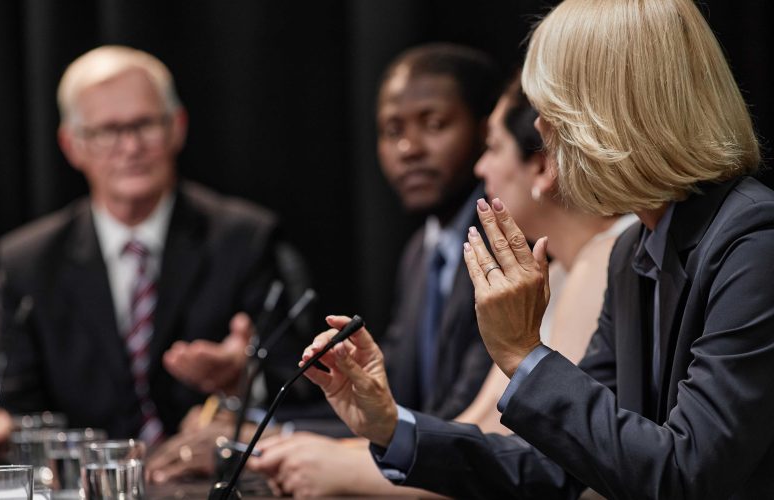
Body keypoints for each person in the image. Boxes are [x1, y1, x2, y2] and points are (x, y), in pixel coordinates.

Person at [300, 0, 774, 498]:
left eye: (551, 110)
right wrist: (392, 429)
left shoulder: (753, 243)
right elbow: (566, 466)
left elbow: (686, 474)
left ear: (615, 112)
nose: (541, 133)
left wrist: (523, 353)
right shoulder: (634, 250)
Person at [249, 75, 634, 497]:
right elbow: (486, 424)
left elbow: (555, 464)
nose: (480, 168)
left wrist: (346, 466)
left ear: (542, 163)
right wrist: (379, 434)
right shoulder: (562, 270)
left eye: (492, 147)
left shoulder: (605, 259)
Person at [0, 45, 307, 444]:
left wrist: (242, 379)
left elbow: (299, 384)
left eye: (144, 125)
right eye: (107, 131)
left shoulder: (244, 239)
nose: (131, 148)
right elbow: (14, 405)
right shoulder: (27, 262)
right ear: (71, 145)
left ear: (177, 127)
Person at [232, 43, 502, 495]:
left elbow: (455, 415)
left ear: (485, 129)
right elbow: (394, 395)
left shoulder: (503, 243)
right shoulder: (421, 248)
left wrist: (270, 441)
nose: (408, 148)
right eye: (391, 130)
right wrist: (258, 423)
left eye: (434, 124)